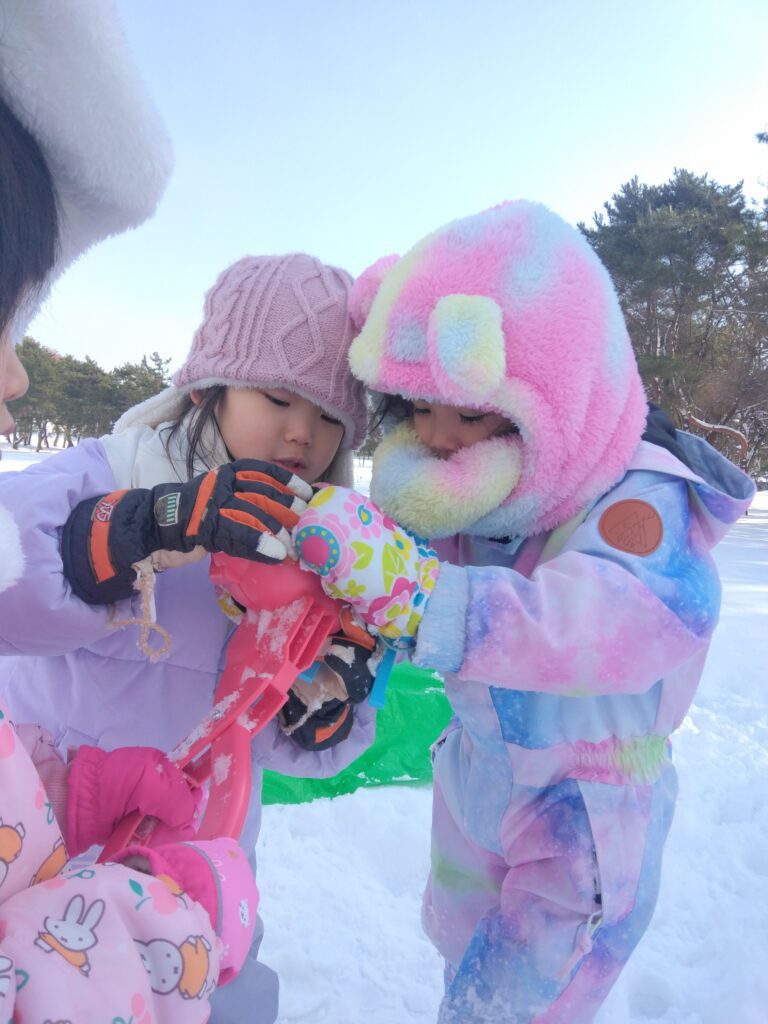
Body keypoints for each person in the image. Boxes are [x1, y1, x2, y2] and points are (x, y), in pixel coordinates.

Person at [291, 201, 756, 1023]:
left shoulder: (638, 494)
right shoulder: (465, 487)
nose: (439, 440)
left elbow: (627, 616)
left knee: (524, 997)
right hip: (481, 773)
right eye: (418, 410)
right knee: (466, 960)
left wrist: (428, 600)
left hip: (585, 805)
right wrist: (344, 661)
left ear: (558, 390)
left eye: (470, 413)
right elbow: (394, 591)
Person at [0, 252, 376, 1023]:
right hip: (48, 837)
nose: (302, 433)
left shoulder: (320, 548)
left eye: (330, 416)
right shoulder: (111, 469)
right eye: (278, 397)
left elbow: (269, 740)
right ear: (208, 387)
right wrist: (148, 524)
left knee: (217, 994)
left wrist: (324, 702)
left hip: (196, 862)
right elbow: (11, 577)